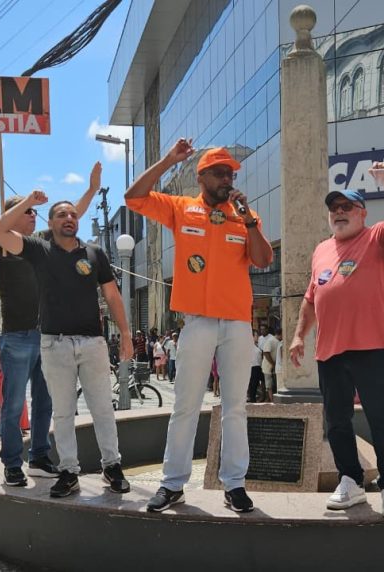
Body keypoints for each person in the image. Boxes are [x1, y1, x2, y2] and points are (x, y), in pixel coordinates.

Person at [125, 140, 273, 513]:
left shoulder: (244, 215)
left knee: (236, 407)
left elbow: (262, 259)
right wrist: (167, 161)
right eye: (220, 173)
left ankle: (234, 485)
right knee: (186, 405)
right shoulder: (181, 208)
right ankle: (173, 484)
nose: (227, 179)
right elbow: (133, 197)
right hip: (197, 322)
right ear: (201, 176)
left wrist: (249, 219)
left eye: (231, 174)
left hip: (237, 323)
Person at [0, 189, 134, 498]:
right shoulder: (38, 250)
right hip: (54, 344)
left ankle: (112, 465)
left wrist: (125, 334)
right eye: (61, 214)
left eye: (72, 214)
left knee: (102, 409)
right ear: (50, 222)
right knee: (64, 412)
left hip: (93, 343)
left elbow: (112, 294)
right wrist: (28, 203)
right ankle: (69, 470)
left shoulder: (95, 253)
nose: (69, 218)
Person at [290, 161, 384, 519]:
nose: (339, 212)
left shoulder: (377, 237)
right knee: (336, 423)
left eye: (347, 206)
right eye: (334, 208)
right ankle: (351, 480)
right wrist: (298, 336)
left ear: (362, 213)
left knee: (382, 419)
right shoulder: (321, 250)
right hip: (330, 352)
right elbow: (311, 298)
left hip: (371, 347)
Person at [0, 165, 101, 488]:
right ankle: (12, 463)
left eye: (33, 212)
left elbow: (74, 213)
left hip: (48, 336)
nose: (33, 216)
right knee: (13, 404)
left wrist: (92, 189)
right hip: (17, 337)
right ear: (12, 216)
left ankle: (39, 456)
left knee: (46, 402)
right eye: (27, 212)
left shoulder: (41, 242)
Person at [262, 329, 282, 402]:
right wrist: (273, 364)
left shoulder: (279, 342)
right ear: (280, 334)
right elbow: (266, 353)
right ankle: (272, 400)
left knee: (274, 383)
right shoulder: (271, 340)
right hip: (268, 367)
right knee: (269, 384)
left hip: (275, 366)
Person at [247, 330, 265, 402]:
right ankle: (252, 399)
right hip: (253, 367)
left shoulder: (256, 346)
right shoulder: (249, 346)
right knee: (253, 384)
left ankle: (253, 398)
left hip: (257, 367)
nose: (258, 337)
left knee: (255, 384)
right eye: (256, 336)